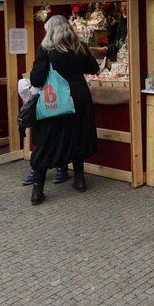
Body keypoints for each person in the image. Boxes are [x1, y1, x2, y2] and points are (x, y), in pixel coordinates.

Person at [27, 15, 99, 205]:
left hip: (56, 101)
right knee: (77, 136)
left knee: (47, 141)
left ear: (49, 30)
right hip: (79, 98)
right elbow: (94, 68)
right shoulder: (80, 47)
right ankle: (80, 180)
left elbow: (36, 79)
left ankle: (37, 191)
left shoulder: (47, 50)